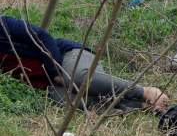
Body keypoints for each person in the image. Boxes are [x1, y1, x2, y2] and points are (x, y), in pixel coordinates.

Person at [0, 16, 168, 112]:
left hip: (69, 55)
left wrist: (55, 71)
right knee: (65, 101)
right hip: (50, 83)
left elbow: (43, 37)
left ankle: (143, 91)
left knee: (76, 78)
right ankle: (141, 106)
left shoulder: (3, 23)